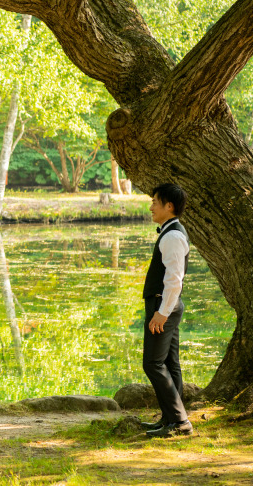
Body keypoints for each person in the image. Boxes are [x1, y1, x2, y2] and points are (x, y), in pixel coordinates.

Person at [141, 183, 193, 437]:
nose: (151, 206)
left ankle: (180, 422)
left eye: (155, 202)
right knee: (171, 364)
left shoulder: (172, 236)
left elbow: (174, 279)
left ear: (168, 206)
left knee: (152, 363)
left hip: (165, 306)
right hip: (167, 305)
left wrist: (161, 312)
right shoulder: (170, 232)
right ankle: (170, 420)